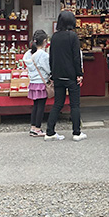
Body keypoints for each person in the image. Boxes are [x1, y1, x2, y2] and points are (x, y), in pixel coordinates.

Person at [45, 10, 86, 142]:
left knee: (58, 104)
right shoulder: (72, 36)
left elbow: (51, 58)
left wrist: (52, 73)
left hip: (57, 75)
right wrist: (79, 73)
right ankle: (76, 132)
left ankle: (49, 132)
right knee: (74, 105)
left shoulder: (55, 37)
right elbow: (76, 57)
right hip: (71, 76)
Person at [23, 30, 50, 137]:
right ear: (44, 41)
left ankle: (33, 127)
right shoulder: (42, 54)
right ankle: (37, 128)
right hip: (41, 82)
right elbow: (48, 69)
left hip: (33, 82)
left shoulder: (28, 54)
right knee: (41, 106)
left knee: (35, 105)